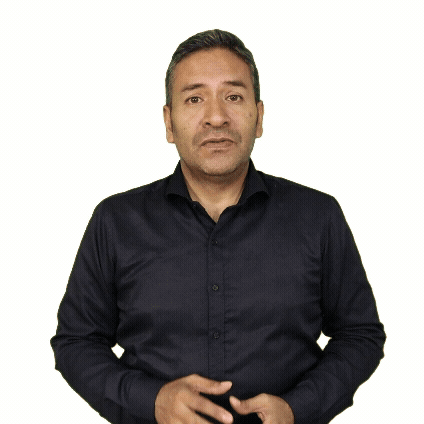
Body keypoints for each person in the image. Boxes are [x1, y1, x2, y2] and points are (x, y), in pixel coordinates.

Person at [51, 29, 386, 424]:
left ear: (259, 117)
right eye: (195, 99)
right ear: (169, 122)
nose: (216, 116)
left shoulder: (318, 216)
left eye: (233, 97)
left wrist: (298, 409)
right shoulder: (116, 221)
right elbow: (76, 342)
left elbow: (359, 334)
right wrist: (150, 401)